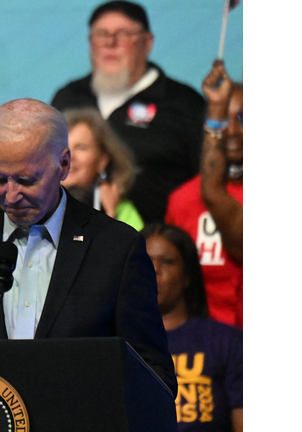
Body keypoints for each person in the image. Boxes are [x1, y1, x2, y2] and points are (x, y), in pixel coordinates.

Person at [0, 98, 176, 395]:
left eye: (27, 180)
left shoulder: (117, 248)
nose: (11, 195)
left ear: (64, 164)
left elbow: (153, 376)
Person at [51, 0, 204, 224]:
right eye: (102, 34)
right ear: (90, 42)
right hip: (67, 240)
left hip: (158, 248)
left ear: (147, 42)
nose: (110, 43)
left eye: (123, 34)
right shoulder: (68, 98)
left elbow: (206, 183)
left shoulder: (184, 103)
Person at [165, 61, 243, 329]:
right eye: (225, 120)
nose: (232, 131)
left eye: (243, 119)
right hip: (202, 351)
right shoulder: (183, 199)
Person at [143, 223, 242, 431]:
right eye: (145, 261)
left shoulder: (227, 342)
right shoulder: (115, 343)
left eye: (168, 262)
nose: (155, 270)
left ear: (187, 275)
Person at [62, 108, 143, 230]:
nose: (70, 156)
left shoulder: (123, 211)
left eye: (81, 148)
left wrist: (111, 214)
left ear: (102, 161)